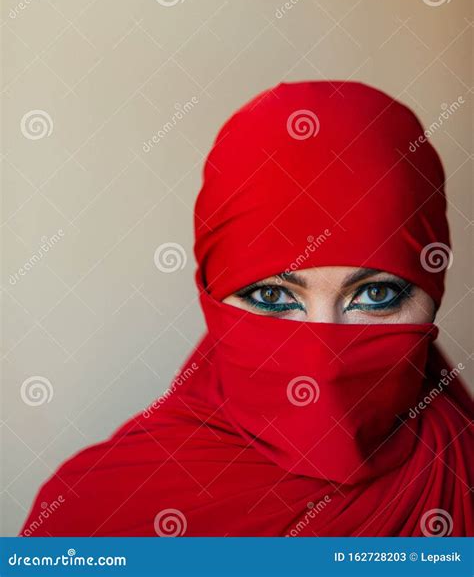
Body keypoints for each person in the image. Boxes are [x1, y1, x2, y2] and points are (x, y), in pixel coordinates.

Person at [21, 81, 472, 537]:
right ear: (213, 296)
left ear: (433, 289)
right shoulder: (92, 521)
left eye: (376, 295)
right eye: (274, 297)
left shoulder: (460, 477)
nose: (324, 365)